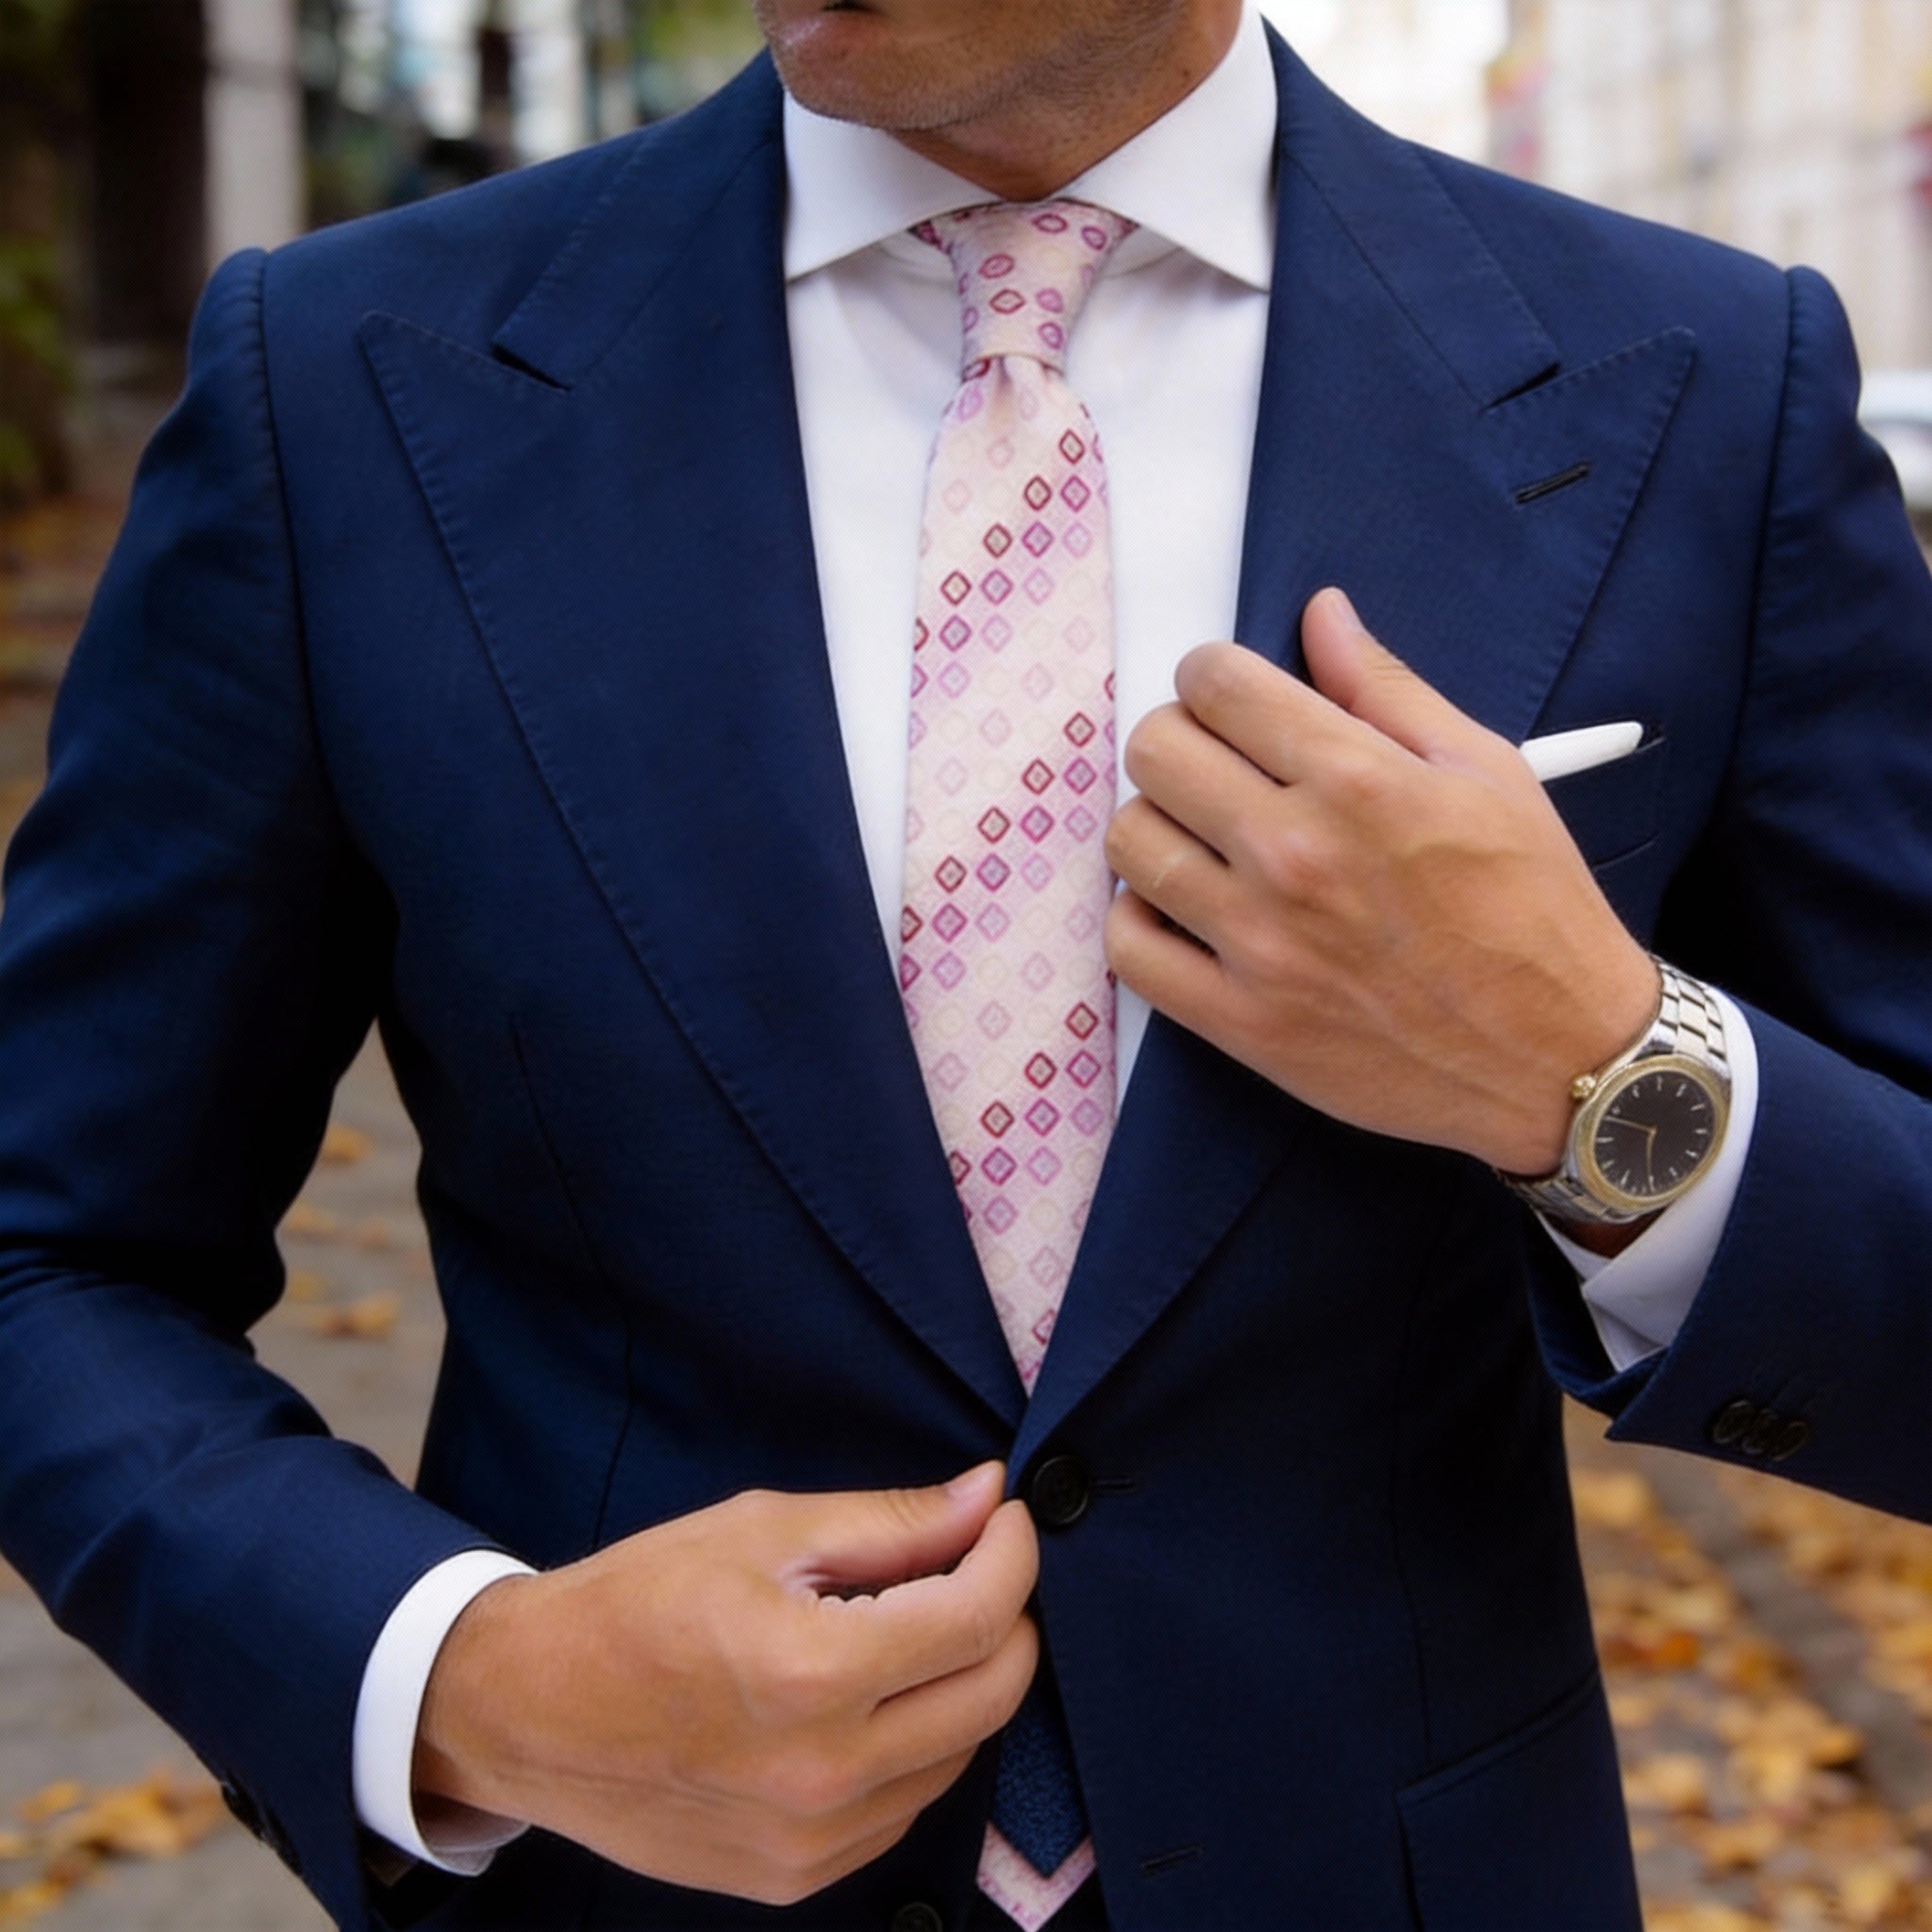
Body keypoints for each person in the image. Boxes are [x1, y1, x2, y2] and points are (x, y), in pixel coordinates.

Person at [1, 0, 1928, 1926]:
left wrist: (1598, 1079)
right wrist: (460, 1679)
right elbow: (49, 1248)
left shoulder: (1699, 388)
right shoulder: (340, 382)